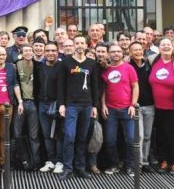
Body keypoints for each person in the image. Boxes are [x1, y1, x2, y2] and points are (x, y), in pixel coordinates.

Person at [57, 34, 99, 181]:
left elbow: (95, 86)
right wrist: (61, 104)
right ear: (73, 45)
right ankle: (68, 168)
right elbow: (61, 85)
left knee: (82, 137)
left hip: (87, 105)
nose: (80, 45)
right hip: (71, 105)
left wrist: (95, 106)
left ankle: (80, 167)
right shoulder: (66, 62)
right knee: (69, 136)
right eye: (77, 43)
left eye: (82, 43)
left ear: (86, 45)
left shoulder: (91, 63)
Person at [149, 37, 174, 175]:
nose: (165, 47)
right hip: (158, 107)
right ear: (158, 47)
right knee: (161, 136)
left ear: (172, 47)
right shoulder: (153, 60)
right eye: (163, 44)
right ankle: (164, 160)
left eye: (168, 44)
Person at [102, 42, 139, 177]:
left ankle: (131, 166)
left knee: (131, 139)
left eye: (118, 51)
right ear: (108, 54)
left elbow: (135, 86)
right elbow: (104, 90)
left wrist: (132, 105)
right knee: (110, 140)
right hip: (110, 110)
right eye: (112, 51)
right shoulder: (105, 69)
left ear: (122, 53)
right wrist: (103, 105)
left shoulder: (129, 68)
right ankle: (114, 164)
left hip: (127, 109)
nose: (116, 54)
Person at [14, 44, 41, 171]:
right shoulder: (15, 65)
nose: (29, 53)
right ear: (21, 52)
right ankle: (22, 160)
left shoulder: (38, 66)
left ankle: (35, 162)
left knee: (34, 136)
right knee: (17, 133)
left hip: (33, 103)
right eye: (26, 51)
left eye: (30, 50)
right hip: (21, 103)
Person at [37, 41, 64, 174]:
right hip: (42, 104)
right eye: (48, 51)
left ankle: (59, 161)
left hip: (57, 104)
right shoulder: (40, 67)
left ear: (57, 52)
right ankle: (51, 161)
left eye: (53, 51)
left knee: (58, 135)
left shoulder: (62, 66)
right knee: (47, 134)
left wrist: (61, 104)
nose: (50, 53)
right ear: (44, 52)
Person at [129, 41, 155, 170]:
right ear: (130, 53)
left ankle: (145, 161)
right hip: (135, 106)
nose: (138, 52)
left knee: (147, 136)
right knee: (138, 136)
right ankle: (137, 163)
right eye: (135, 50)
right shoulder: (128, 66)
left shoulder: (149, 65)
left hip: (150, 105)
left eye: (140, 49)